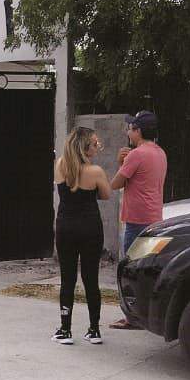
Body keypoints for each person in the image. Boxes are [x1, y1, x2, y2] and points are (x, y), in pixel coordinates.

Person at [53, 126, 112, 345]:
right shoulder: (95, 171)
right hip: (90, 227)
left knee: (67, 279)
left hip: (66, 226)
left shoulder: (60, 165)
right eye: (95, 144)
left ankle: (65, 329)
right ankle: (94, 329)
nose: (97, 147)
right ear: (85, 147)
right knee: (91, 278)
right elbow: (106, 194)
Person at [109, 110, 167, 329]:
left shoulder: (136, 154)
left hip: (136, 219)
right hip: (154, 217)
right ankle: (146, 314)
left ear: (138, 131)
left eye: (131, 128)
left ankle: (132, 317)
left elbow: (116, 183)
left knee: (129, 269)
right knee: (147, 269)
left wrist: (119, 161)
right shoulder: (160, 152)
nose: (128, 131)